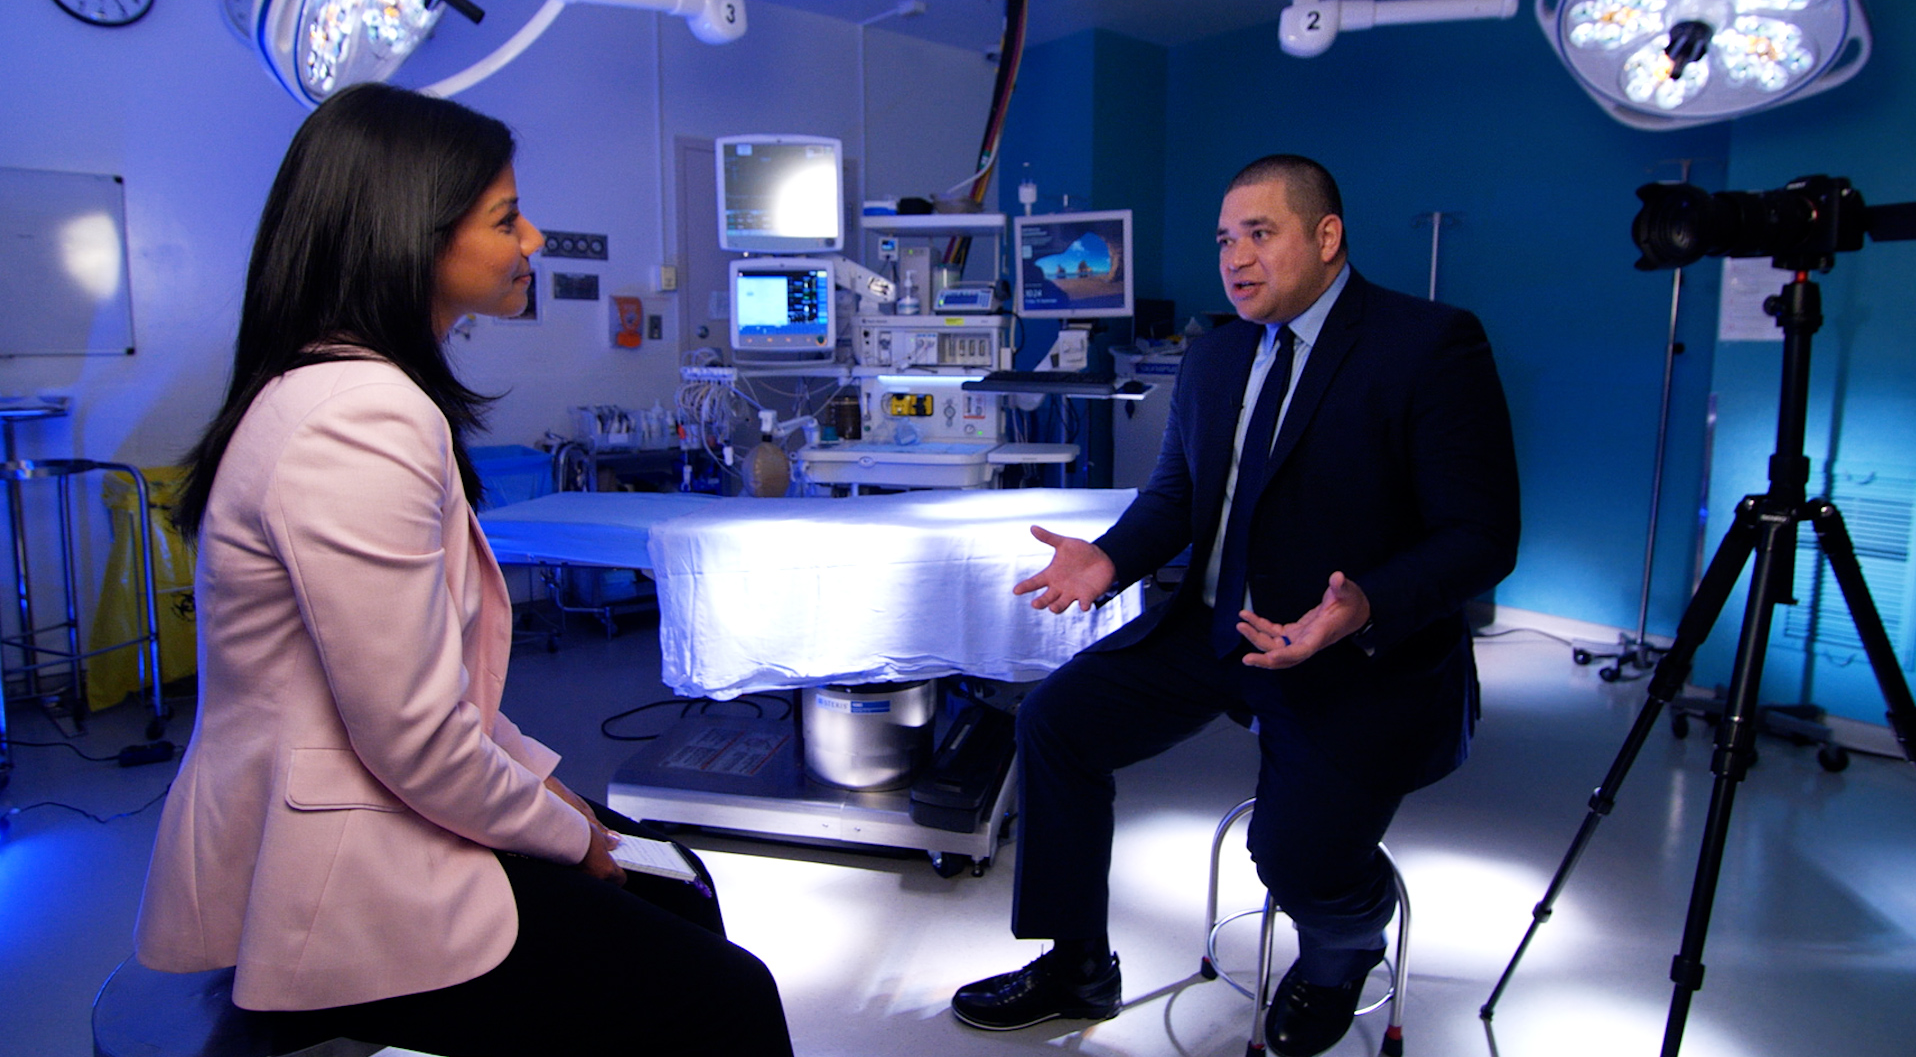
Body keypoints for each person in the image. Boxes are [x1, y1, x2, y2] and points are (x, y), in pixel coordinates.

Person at [133, 83, 793, 1056]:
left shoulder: (328, 388)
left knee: (678, 882)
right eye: (505, 218)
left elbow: (428, 703)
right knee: (725, 994)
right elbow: (412, 737)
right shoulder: (360, 417)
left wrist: (546, 785)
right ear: (412, 237)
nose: (533, 239)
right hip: (337, 876)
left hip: (361, 807)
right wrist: (568, 836)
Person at [951, 155, 1520, 1056]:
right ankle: (1077, 964)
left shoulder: (1429, 345)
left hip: (1347, 654)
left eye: (1261, 234)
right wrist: (1111, 558)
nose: (1236, 258)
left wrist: (1360, 606)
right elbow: (1178, 498)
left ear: (1326, 238)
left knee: (1293, 855)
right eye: (1225, 239)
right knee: (1057, 722)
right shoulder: (1216, 357)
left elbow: (1481, 536)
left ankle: (1344, 946)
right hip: (1215, 633)